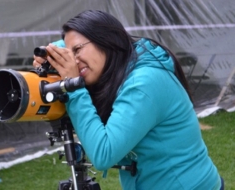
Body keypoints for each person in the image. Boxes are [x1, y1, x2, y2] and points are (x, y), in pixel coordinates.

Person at [33, 10, 223, 190]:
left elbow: (103, 154)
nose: (73, 61)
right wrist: (53, 53)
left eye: (77, 50)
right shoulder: (129, 56)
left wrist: (73, 88)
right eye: (68, 53)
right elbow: (77, 41)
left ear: (105, 40)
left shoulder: (143, 84)